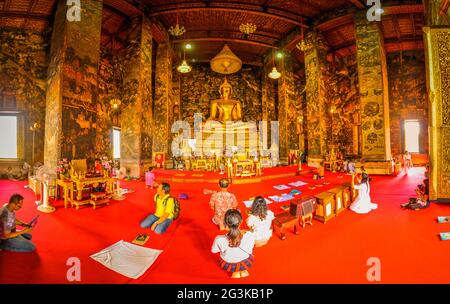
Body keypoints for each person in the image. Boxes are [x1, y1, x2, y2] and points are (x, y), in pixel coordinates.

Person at [211, 209, 255, 279]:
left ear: (225, 223)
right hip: (246, 260)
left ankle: (235, 272)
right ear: (241, 221)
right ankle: (243, 271)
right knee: (245, 258)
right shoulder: (250, 235)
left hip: (229, 263)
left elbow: (214, 251)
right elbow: (251, 249)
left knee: (233, 265)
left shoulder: (219, 239)